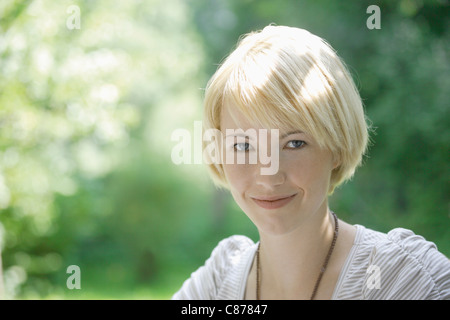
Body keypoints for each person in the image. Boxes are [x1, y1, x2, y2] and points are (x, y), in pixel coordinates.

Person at [172, 25, 450, 300]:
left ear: (337, 147)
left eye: (294, 143)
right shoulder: (218, 284)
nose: (268, 177)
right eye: (244, 146)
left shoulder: (405, 279)